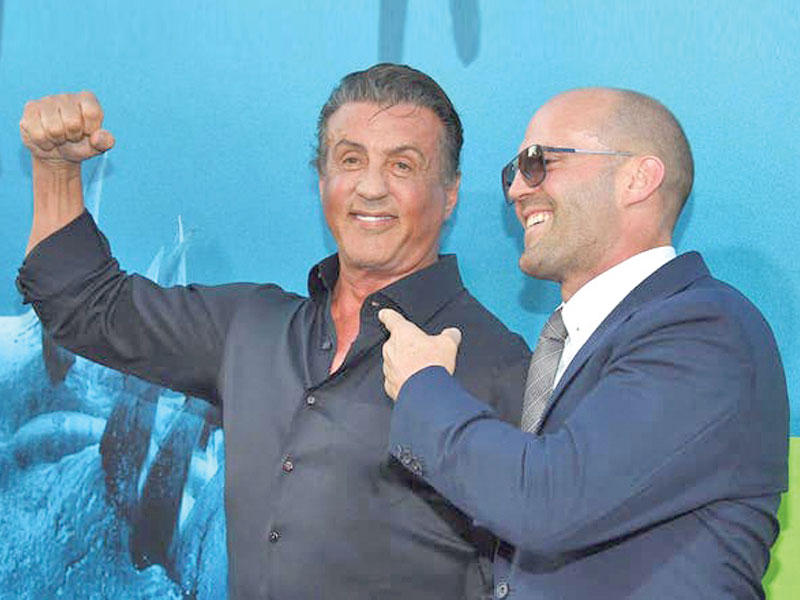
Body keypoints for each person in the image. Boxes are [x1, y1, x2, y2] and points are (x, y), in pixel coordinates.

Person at [16, 64, 530, 599]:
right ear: (322, 179)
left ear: (450, 192)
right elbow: (87, 306)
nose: (371, 187)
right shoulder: (251, 327)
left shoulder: (501, 368)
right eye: (350, 160)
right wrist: (56, 169)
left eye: (402, 165)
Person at [379, 87, 788, 599]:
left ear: (637, 178)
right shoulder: (580, 342)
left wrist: (423, 384)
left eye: (538, 162)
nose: (516, 190)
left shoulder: (706, 330)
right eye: (513, 172)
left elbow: (544, 504)